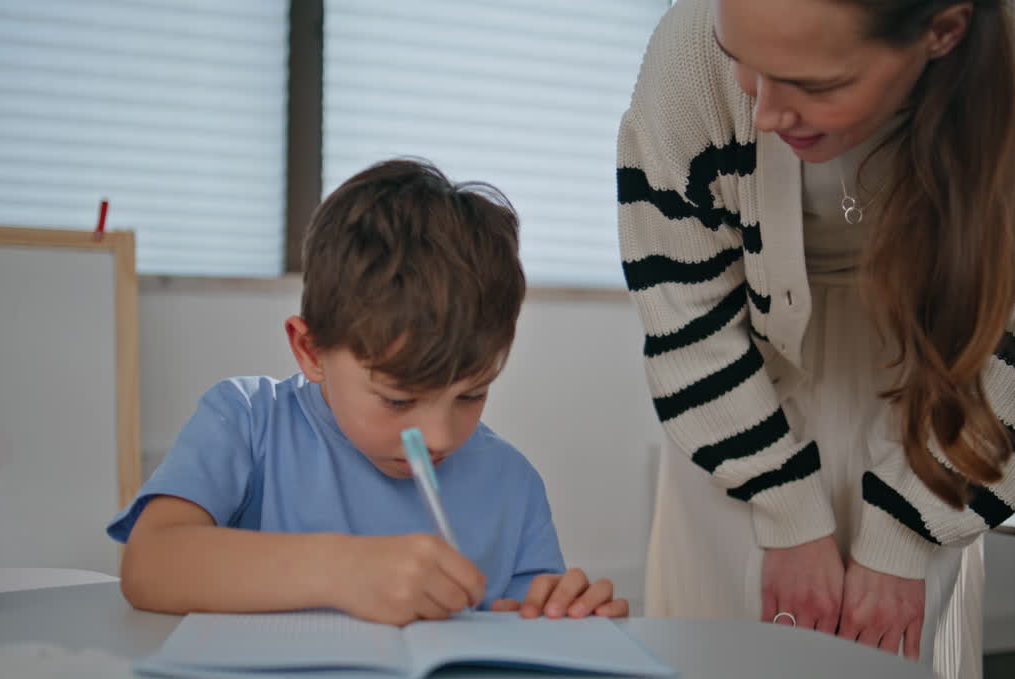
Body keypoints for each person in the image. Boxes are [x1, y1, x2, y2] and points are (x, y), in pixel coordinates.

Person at [617, 0, 1015, 679]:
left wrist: (907, 535)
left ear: (944, 31)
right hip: (737, 385)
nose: (763, 112)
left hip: (949, 393)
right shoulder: (689, 48)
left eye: (815, 86)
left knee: (900, 676)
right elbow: (685, 315)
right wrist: (789, 518)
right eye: (743, 65)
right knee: (727, 673)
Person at [110, 158, 629, 626]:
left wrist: (564, 612)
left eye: (472, 395)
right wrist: (343, 569)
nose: (438, 436)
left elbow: (524, 631)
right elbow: (149, 564)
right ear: (311, 350)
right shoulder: (248, 422)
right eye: (398, 401)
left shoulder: (514, 485)